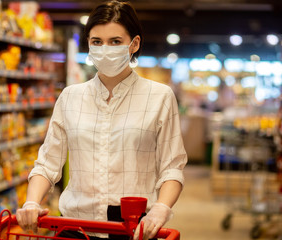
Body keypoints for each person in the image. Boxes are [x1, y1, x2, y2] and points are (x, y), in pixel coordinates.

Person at [16, 1, 188, 240]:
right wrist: (31, 202)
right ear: (88, 44)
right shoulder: (70, 97)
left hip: (132, 231)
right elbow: (47, 164)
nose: (105, 49)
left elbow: (172, 168)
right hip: (76, 229)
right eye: (97, 42)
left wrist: (161, 209)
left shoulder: (159, 97)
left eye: (115, 42)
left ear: (133, 44)